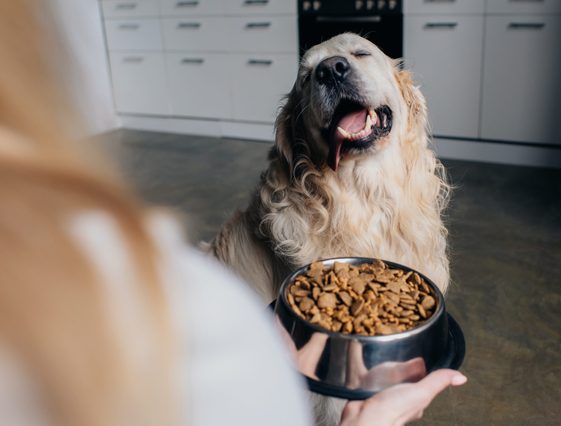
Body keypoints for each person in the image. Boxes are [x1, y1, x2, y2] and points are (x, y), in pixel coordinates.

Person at [0, 1, 467, 425]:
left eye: (360, 57)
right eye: (311, 78)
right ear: (296, 139)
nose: (333, 69)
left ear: (406, 99)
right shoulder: (287, 250)